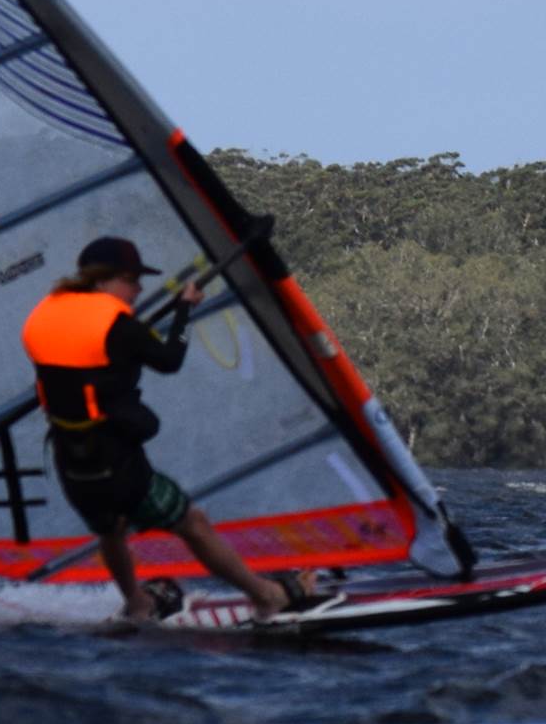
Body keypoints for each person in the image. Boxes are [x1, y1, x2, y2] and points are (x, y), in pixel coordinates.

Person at [21, 235, 322, 624]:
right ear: (104, 279)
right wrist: (184, 311)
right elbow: (169, 360)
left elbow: (86, 363)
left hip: (70, 461)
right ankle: (265, 597)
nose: (138, 290)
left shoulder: (47, 314)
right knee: (192, 522)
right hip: (116, 462)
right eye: (131, 280)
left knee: (111, 530)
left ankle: (136, 603)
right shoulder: (120, 327)